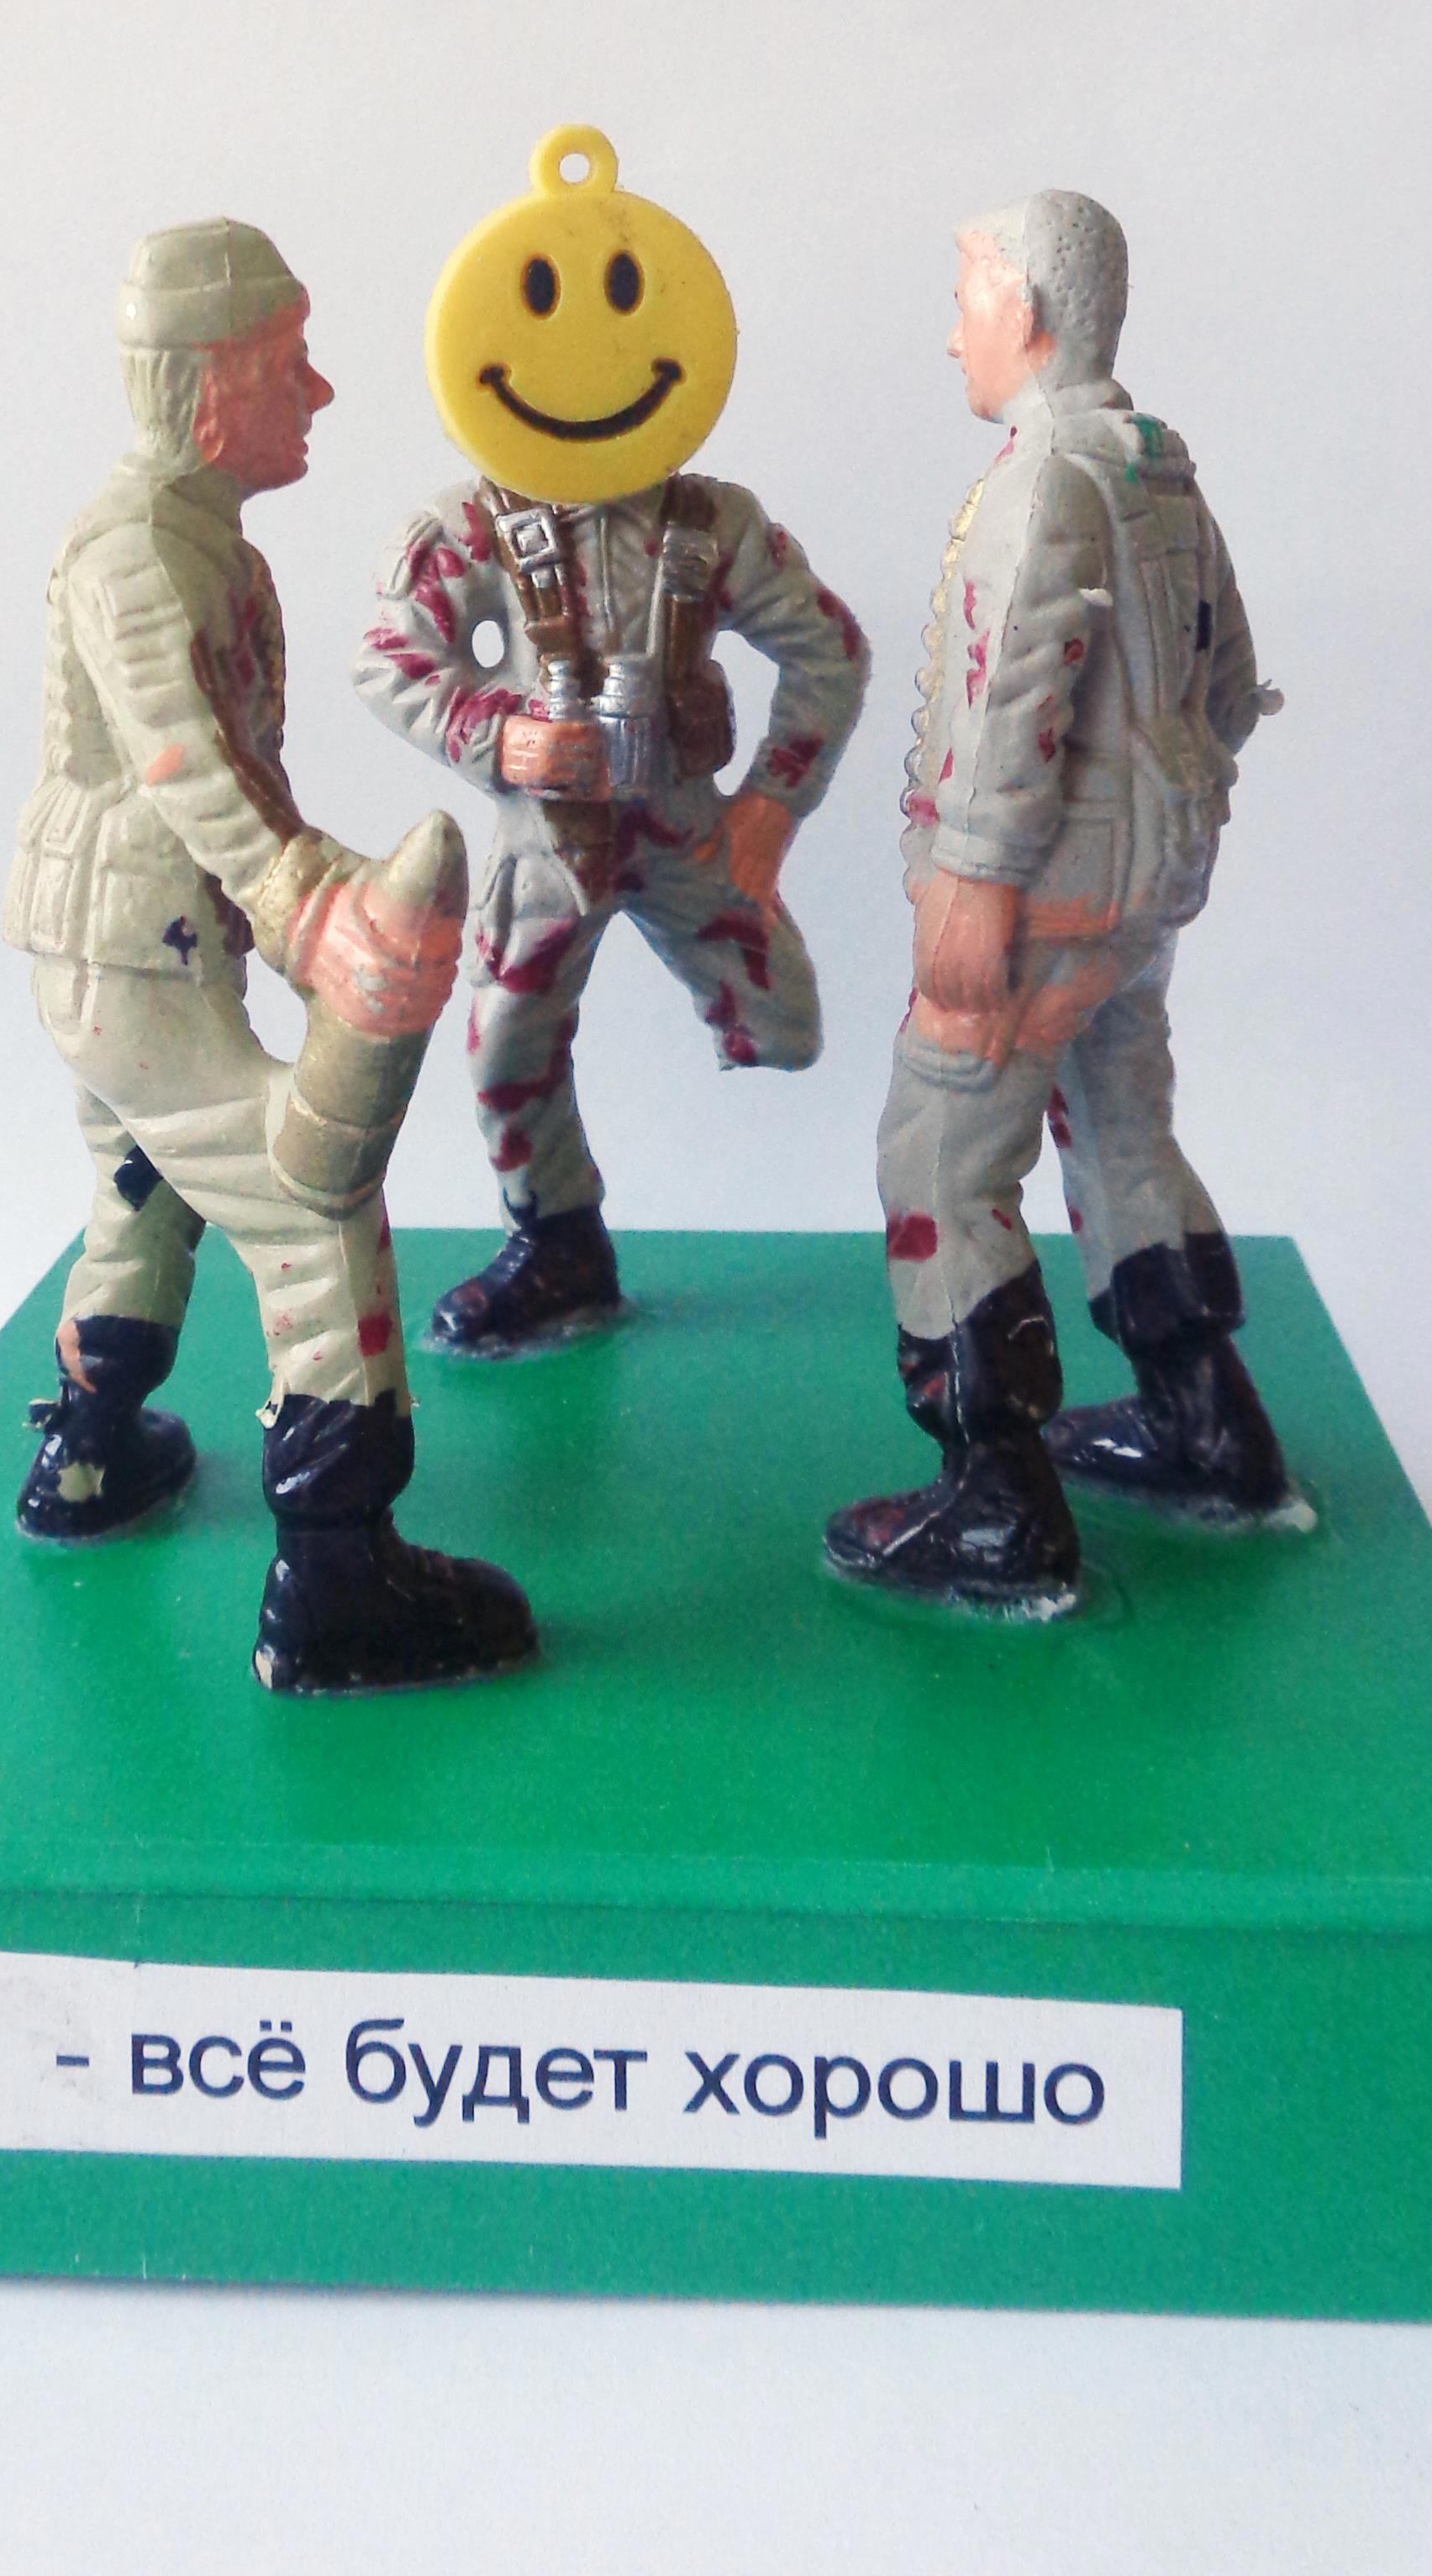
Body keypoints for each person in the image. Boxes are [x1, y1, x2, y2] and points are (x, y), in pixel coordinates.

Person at [3, 218, 534, 1692]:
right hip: (134, 948)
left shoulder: (193, 542)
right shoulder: (140, 557)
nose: (319, 391)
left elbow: (242, 782)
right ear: (205, 386)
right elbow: (185, 765)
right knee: (311, 1205)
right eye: (286, 364)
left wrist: (326, 891)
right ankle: (336, 1573)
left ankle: (93, 1453)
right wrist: (312, 914)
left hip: (133, 944)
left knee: (148, 1183)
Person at [826, 192, 1290, 1612]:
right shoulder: (1160, 470)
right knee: (1120, 1120)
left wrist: (973, 884)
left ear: (1023, 312)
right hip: (1145, 888)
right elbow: (1230, 681)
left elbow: (1003, 696)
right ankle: (1206, 1419)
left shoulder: (1039, 487)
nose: (952, 333)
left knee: (940, 1155)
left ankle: (996, 1498)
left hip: (1038, 896)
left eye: (967, 298)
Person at [351, 128, 870, 1350]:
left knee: (786, 1024)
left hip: (689, 829)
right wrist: (505, 738)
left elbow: (831, 651)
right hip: (550, 840)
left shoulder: (715, 527)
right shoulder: (470, 528)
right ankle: (557, 1242)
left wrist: (771, 805)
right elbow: (388, 660)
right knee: (504, 1041)